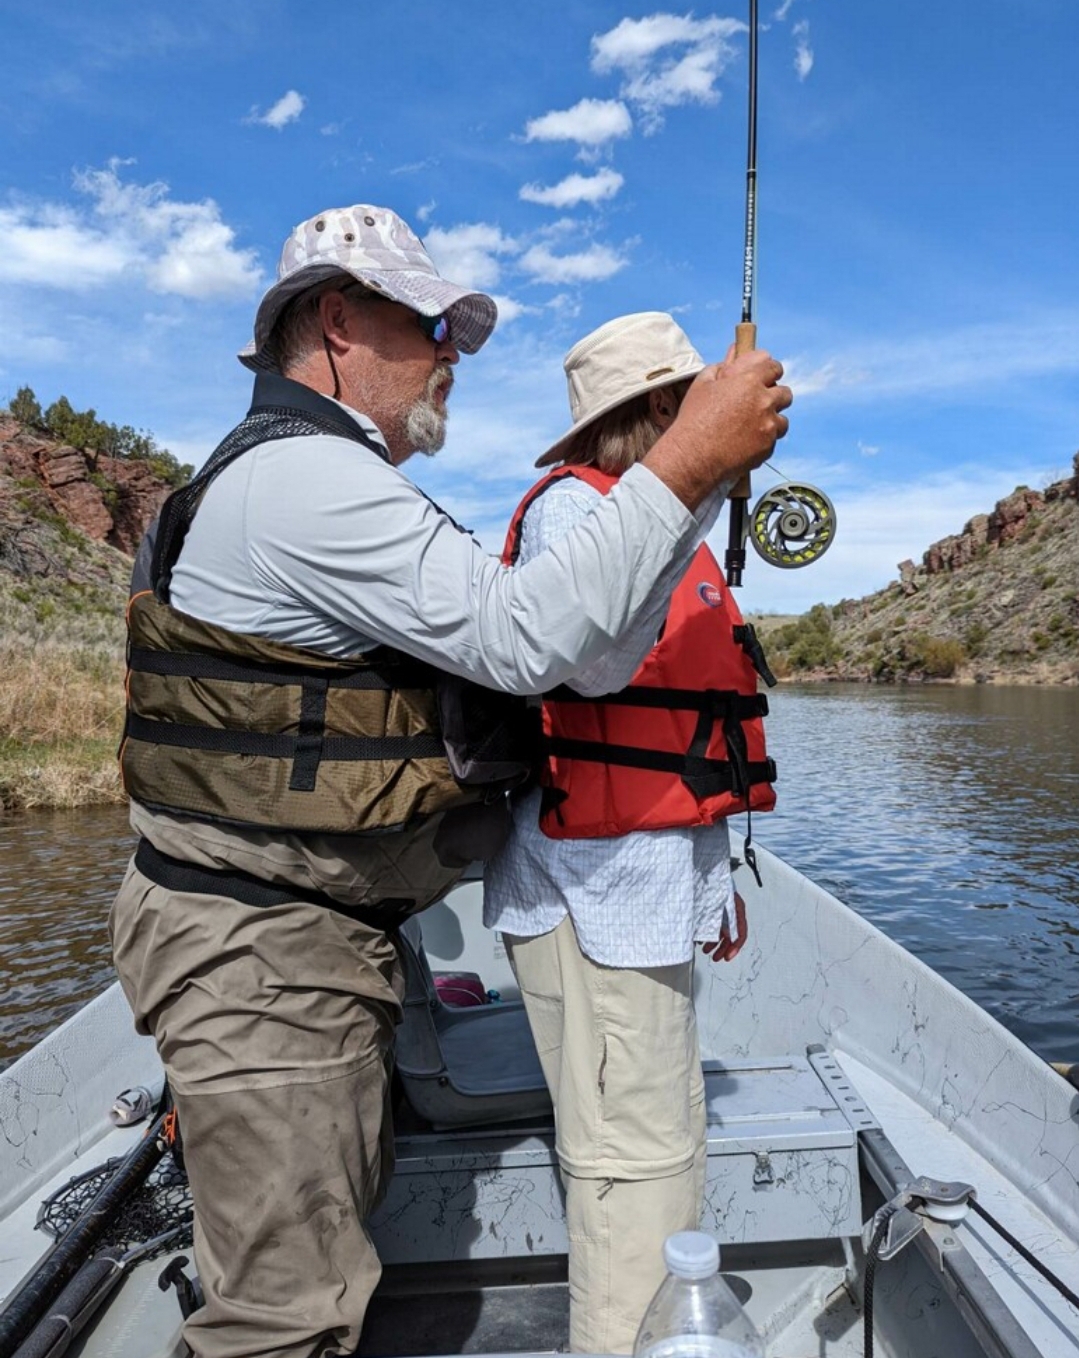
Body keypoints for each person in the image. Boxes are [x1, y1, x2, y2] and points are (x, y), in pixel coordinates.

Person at [109, 207, 791, 1358]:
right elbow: (531, 642)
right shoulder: (306, 486)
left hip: (294, 943)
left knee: (311, 1280)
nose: (452, 355)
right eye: (429, 325)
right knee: (282, 1321)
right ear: (335, 321)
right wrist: (694, 462)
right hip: (261, 957)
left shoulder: (306, 478)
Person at [484, 311, 777, 1354]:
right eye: (692, 402)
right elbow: (592, 664)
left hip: (641, 893)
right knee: (633, 1167)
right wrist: (693, 476)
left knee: (654, 1149)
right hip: (596, 900)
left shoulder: (648, 518)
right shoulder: (578, 510)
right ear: (658, 411)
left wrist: (712, 879)